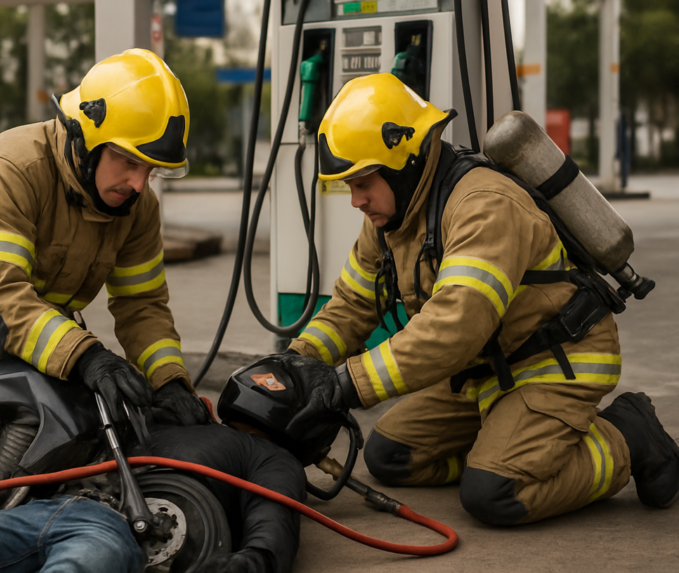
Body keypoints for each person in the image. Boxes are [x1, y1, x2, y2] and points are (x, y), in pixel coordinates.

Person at [273, 73, 679, 525]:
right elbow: (352, 305)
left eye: (363, 182)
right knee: (391, 456)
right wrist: (294, 365)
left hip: (554, 362)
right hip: (485, 372)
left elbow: (455, 327)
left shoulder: (484, 204)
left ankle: (628, 436)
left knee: (495, 494)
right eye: (349, 185)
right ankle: (508, 444)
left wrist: (344, 386)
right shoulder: (393, 219)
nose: (357, 201)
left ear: (405, 163)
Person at [0, 49, 208, 427]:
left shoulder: (138, 207)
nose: (139, 184)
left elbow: (142, 305)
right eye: (129, 161)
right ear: (85, 139)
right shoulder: (8, 170)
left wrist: (169, 382)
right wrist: (87, 357)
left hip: (18, 343)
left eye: (150, 169)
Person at [0, 422, 306, 573]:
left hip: (111, 523)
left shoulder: (269, 456)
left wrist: (257, 561)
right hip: (39, 506)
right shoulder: (152, 410)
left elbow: (275, 514)